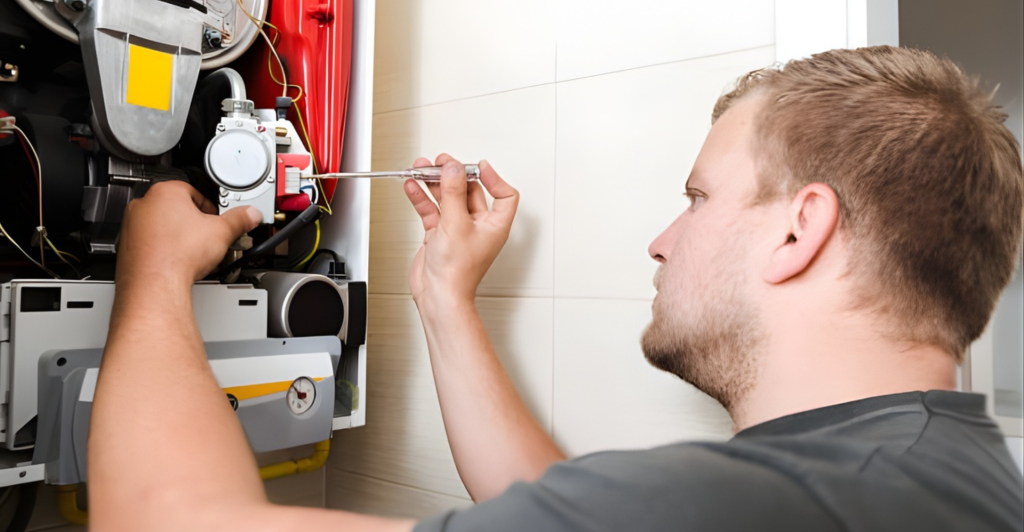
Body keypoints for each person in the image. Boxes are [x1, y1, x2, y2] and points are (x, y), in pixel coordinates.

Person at [89, 46, 1023, 532]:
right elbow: (550, 500)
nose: (662, 242)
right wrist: (445, 292)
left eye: (697, 198)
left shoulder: (752, 511)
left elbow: (165, 525)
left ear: (799, 228)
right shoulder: (940, 470)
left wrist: (156, 275)